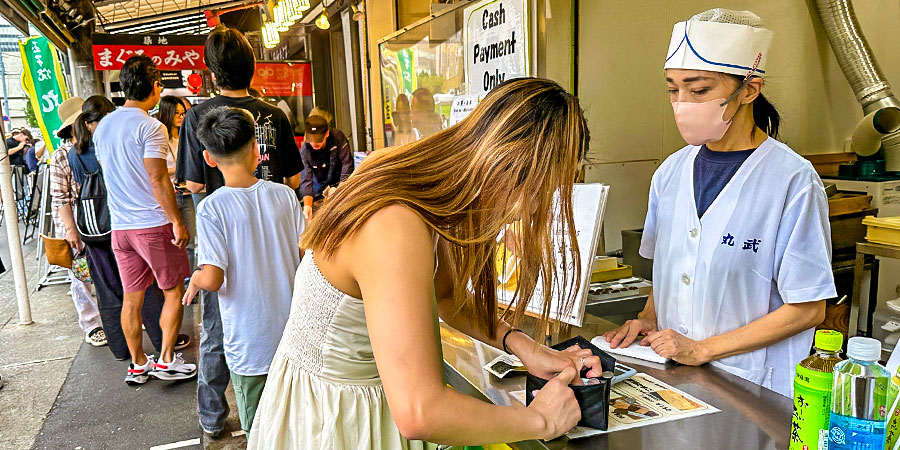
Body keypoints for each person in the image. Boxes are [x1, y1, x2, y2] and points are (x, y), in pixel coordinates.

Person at [248, 78, 595, 448]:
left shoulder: (427, 187)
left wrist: (522, 345)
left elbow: (445, 295)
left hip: (364, 404)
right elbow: (420, 410)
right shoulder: (394, 223)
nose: (535, 209)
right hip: (333, 420)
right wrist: (540, 418)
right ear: (510, 166)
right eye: (544, 191)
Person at [603, 9, 835, 397]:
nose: (682, 103)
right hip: (675, 380)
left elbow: (809, 308)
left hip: (751, 387)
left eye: (699, 90)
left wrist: (702, 349)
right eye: (674, 90)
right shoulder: (671, 172)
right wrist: (648, 318)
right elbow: (672, 272)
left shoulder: (792, 181)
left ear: (749, 90)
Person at [175, 26, 302, 439]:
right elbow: (296, 180)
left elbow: (192, 184)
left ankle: (213, 418)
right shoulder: (275, 115)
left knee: (217, 329)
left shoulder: (198, 116)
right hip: (277, 245)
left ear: (213, 73)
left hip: (224, 245)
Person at [93, 54, 196, 385]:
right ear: (154, 87)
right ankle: (166, 359)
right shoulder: (151, 126)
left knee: (132, 297)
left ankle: (138, 364)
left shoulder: (104, 125)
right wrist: (177, 221)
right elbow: (158, 179)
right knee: (172, 292)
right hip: (152, 224)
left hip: (120, 228)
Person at [69, 95, 172, 361]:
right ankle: (162, 344)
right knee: (144, 286)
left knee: (108, 291)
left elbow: (71, 193)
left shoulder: (73, 153)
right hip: (124, 221)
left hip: (92, 230)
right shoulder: (111, 141)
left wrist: (72, 231)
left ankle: (121, 349)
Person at [49, 96, 107, 348]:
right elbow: (60, 196)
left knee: (105, 268)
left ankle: (116, 315)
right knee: (80, 273)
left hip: (99, 216)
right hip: (73, 217)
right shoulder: (62, 154)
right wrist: (71, 230)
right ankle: (91, 323)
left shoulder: (99, 145)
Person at [299, 115, 353, 222]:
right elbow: (306, 180)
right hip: (318, 188)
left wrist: (341, 193)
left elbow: (347, 165)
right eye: (311, 140)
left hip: (340, 184)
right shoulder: (305, 151)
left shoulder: (338, 138)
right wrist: (308, 207)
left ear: (327, 134)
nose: (315, 143)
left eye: (318, 140)